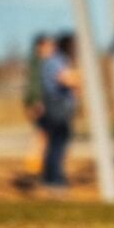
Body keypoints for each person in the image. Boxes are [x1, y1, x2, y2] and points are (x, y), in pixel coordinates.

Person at [39, 32, 79, 188]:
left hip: (57, 106)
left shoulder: (54, 61)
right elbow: (65, 79)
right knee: (58, 143)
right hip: (58, 107)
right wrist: (79, 79)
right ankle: (54, 179)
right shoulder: (57, 61)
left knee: (56, 143)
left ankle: (50, 178)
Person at [23, 34, 54, 177]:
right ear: (39, 47)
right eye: (48, 45)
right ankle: (36, 166)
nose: (51, 48)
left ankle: (38, 165)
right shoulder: (38, 63)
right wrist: (36, 101)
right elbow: (34, 85)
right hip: (39, 102)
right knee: (42, 134)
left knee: (43, 134)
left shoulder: (40, 62)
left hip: (41, 101)